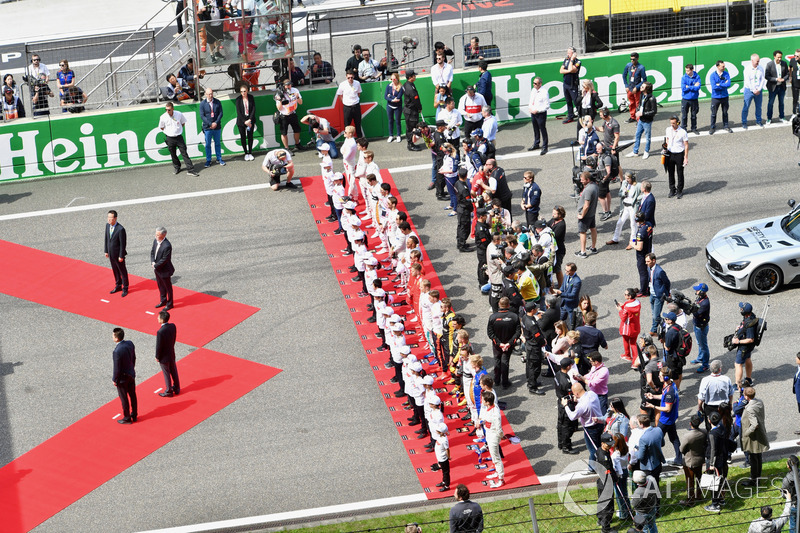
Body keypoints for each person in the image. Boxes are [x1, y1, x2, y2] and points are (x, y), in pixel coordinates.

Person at [563, 381, 604, 465]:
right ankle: (602, 460)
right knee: (600, 445)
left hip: (590, 428)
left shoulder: (581, 406)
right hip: (600, 423)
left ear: (576, 393)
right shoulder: (592, 394)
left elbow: (572, 417)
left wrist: (565, 405)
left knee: (593, 449)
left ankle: (592, 467)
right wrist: (578, 400)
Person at [487, 297, 521, 389]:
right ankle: (505, 383)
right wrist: (509, 343)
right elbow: (518, 332)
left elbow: (490, 333)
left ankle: (497, 380)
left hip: (497, 345)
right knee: (505, 361)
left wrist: (499, 343)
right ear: (508, 305)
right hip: (508, 344)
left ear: (499, 305)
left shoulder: (493, 317)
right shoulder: (514, 316)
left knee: (497, 360)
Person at [159, 102, 198, 176]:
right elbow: (161, 127)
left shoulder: (179, 114)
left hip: (179, 137)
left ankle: (190, 170)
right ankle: (177, 167)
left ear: (173, 109)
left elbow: (183, 123)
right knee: (173, 154)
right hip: (170, 138)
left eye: (169, 110)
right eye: (166, 110)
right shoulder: (163, 117)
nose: (167, 111)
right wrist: (169, 132)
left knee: (184, 153)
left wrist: (178, 130)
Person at [741, 387, 769, 486]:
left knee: (753, 458)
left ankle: (753, 480)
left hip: (753, 437)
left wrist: (746, 433)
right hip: (760, 434)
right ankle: (758, 478)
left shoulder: (749, 408)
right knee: (758, 457)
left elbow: (754, 425)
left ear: (746, 396)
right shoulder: (759, 402)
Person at [112, 328, 138, 424]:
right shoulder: (130, 343)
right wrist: (131, 368)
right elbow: (134, 357)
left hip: (122, 378)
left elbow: (116, 368)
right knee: (133, 395)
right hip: (131, 374)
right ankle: (134, 415)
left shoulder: (117, 351)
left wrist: (114, 379)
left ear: (116, 338)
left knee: (124, 398)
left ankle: (127, 417)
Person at [480, 390, 505, 488]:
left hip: (494, 436)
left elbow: (499, 428)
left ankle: (501, 479)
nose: (481, 400)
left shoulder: (495, 413)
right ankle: (497, 473)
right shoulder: (488, 408)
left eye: (483, 399)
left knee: (496, 458)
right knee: (493, 456)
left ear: (487, 401)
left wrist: (501, 436)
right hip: (489, 435)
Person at [705, 412, 729, 513]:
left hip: (715, 461)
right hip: (722, 457)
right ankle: (721, 499)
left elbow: (713, 450)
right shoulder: (722, 427)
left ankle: (715, 504)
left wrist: (711, 464)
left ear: (710, 421)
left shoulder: (712, 434)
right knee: (720, 480)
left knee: (713, 482)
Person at [627, 83, 656, 158]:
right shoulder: (641, 95)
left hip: (647, 121)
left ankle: (646, 151)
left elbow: (654, 111)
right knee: (637, 135)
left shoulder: (652, 98)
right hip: (641, 119)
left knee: (647, 137)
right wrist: (638, 111)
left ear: (647, 89)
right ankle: (635, 151)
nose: (640, 87)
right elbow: (640, 105)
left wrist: (642, 113)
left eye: (642, 87)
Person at [732, 302, 758, 387]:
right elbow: (744, 326)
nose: (740, 310)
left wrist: (738, 342)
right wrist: (740, 328)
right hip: (747, 347)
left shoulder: (750, 324)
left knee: (738, 364)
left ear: (745, 312)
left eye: (742, 309)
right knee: (747, 359)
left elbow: (750, 339)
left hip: (744, 347)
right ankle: (748, 379)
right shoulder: (750, 317)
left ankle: (737, 385)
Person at [155, 310, 180, 397]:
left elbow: (159, 346)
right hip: (171, 353)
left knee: (166, 373)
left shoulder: (160, 332)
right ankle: (177, 388)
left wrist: (157, 356)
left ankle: (169, 390)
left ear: (162, 320)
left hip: (164, 357)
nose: (157, 319)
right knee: (174, 371)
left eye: (158, 317)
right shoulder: (173, 326)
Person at [105, 210, 129, 297]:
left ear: (115, 218)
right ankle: (118, 285)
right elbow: (106, 239)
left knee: (122, 271)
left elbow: (123, 244)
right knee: (115, 270)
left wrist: (121, 255)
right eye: (108, 218)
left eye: (110, 218)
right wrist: (106, 251)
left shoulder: (120, 229)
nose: (109, 220)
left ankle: (125, 287)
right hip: (111, 253)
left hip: (118, 255)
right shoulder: (107, 226)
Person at [275, 78, 303, 153]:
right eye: (287, 85)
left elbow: (300, 102)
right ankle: (287, 148)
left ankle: (297, 144)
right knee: (284, 133)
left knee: (297, 130)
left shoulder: (295, 90)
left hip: (292, 113)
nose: (289, 87)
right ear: (284, 86)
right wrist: (280, 99)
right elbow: (279, 108)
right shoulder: (279, 93)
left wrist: (297, 97)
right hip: (284, 115)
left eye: (290, 85)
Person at [664, 115, 689, 199]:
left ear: (678, 122)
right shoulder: (668, 130)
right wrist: (665, 148)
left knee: (680, 173)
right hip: (670, 154)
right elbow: (667, 139)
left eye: (674, 123)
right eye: (671, 123)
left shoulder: (683, 132)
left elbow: (686, 145)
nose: (672, 125)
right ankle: (672, 189)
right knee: (670, 173)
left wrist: (685, 157)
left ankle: (679, 190)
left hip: (679, 154)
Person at [644, 253, 669, 335]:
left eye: (648, 261)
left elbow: (667, 282)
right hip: (652, 294)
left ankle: (666, 322)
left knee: (656, 316)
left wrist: (667, 294)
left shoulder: (660, 271)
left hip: (658, 296)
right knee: (653, 313)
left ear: (653, 260)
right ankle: (654, 329)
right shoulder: (649, 268)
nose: (646, 263)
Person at [199, 88, 225, 167]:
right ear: (206, 95)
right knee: (208, 144)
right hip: (207, 127)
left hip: (217, 127)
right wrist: (210, 124)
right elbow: (202, 116)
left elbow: (221, 113)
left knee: (217, 143)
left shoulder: (217, 102)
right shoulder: (202, 104)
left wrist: (216, 122)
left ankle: (219, 158)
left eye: (211, 94)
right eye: (209, 94)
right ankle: (208, 160)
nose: (210, 95)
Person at [575, 172, 599, 257]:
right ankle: (593, 247)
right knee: (593, 228)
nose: (581, 181)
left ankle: (583, 252)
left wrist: (582, 215)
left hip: (586, 215)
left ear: (588, 180)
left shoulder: (588, 190)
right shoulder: (595, 185)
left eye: (582, 180)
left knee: (582, 232)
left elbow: (586, 205)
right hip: (592, 213)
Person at [151, 227, 175, 311]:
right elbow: (152, 252)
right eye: (156, 234)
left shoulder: (167, 245)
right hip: (157, 269)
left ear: (164, 234)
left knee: (168, 288)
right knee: (160, 285)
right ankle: (163, 300)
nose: (156, 236)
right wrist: (152, 262)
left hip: (165, 270)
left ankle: (170, 303)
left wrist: (156, 265)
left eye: (158, 234)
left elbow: (165, 259)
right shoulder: (155, 241)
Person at [690, 283, 711, 372]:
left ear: (702, 292)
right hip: (697, 325)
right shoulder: (700, 298)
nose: (696, 291)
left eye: (697, 290)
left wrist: (690, 309)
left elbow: (696, 313)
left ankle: (705, 364)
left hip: (701, 327)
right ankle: (700, 358)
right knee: (699, 343)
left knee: (703, 346)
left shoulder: (705, 303)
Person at [616, 288, 641, 363]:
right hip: (635, 326)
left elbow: (623, 318)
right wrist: (623, 306)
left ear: (629, 296)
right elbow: (630, 311)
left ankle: (629, 356)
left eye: (625, 294)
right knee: (633, 342)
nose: (624, 295)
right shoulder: (638, 303)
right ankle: (634, 359)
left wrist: (620, 310)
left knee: (627, 341)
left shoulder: (627, 307)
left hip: (627, 328)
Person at [742, 53, 766, 129]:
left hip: (758, 91)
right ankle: (744, 122)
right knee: (746, 107)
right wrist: (753, 90)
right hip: (749, 90)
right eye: (757, 61)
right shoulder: (747, 69)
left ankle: (758, 121)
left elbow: (762, 79)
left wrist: (759, 89)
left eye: (758, 61)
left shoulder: (760, 68)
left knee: (758, 107)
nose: (758, 63)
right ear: (752, 61)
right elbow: (747, 81)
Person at [553, 262, 581, 327]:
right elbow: (563, 286)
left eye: (568, 271)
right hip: (564, 303)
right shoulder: (566, 275)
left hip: (571, 305)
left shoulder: (577, 281)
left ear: (573, 271)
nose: (566, 272)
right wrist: (558, 292)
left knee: (572, 323)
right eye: (565, 270)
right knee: (559, 320)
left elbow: (573, 295)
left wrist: (561, 294)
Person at [709, 60, 733, 134]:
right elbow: (714, 87)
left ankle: (726, 126)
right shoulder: (712, 75)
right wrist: (723, 84)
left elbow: (728, 84)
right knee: (713, 113)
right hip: (715, 97)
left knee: (725, 112)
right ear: (718, 66)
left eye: (724, 66)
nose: (724, 67)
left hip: (724, 96)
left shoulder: (726, 74)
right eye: (722, 66)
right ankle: (712, 127)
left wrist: (719, 84)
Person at [527, 77, 549, 155]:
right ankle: (536, 143)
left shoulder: (544, 92)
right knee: (535, 129)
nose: (534, 84)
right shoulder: (533, 90)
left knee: (542, 129)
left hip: (540, 114)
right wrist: (530, 108)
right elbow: (531, 100)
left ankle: (545, 146)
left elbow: (547, 106)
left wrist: (538, 110)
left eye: (535, 83)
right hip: (533, 113)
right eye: (533, 83)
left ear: (540, 84)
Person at [402, 70, 423, 151]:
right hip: (411, 112)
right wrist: (419, 108)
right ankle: (410, 144)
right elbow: (416, 100)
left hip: (408, 110)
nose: (415, 76)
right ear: (410, 77)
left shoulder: (406, 84)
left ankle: (411, 143)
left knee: (409, 128)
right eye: (414, 75)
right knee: (411, 128)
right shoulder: (410, 88)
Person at [337, 70, 363, 137]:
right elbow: (339, 95)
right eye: (348, 78)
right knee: (347, 125)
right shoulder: (342, 84)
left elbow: (359, 93)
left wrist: (355, 100)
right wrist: (344, 102)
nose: (350, 79)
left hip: (356, 106)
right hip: (347, 107)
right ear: (346, 77)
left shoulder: (357, 83)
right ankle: (347, 140)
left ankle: (360, 140)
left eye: (351, 77)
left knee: (358, 124)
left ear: (353, 76)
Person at [766, 50, 789, 124]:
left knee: (781, 102)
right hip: (773, 87)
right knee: (770, 103)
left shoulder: (784, 63)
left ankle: (782, 117)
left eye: (781, 57)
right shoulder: (769, 64)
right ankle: (769, 118)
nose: (779, 59)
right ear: (774, 56)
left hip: (781, 87)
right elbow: (767, 76)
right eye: (778, 57)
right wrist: (776, 79)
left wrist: (783, 79)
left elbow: (787, 74)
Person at [623, 52, 646, 123]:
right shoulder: (628, 65)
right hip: (630, 88)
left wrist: (637, 87)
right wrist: (626, 85)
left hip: (637, 89)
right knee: (631, 103)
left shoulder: (641, 67)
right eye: (631, 59)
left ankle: (639, 119)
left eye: (633, 59)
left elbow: (644, 80)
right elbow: (624, 75)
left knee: (638, 104)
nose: (632, 61)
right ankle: (632, 117)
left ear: (637, 58)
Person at [560, 46, 581, 124]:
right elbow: (561, 70)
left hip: (573, 85)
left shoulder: (578, 62)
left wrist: (572, 60)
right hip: (566, 84)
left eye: (569, 53)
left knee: (576, 101)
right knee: (568, 101)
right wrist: (568, 70)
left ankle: (581, 115)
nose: (567, 54)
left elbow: (572, 69)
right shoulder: (566, 60)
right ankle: (570, 116)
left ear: (573, 54)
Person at [235, 83, 256, 161]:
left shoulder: (251, 97)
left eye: (244, 91)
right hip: (241, 121)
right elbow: (239, 112)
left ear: (247, 91)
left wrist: (250, 119)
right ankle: (246, 153)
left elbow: (253, 109)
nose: (243, 93)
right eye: (241, 91)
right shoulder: (238, 99)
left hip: (250, 120)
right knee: (243, 137)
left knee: (250, 136)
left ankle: (250, 152)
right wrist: (245, 121)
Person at [680, 64, 701, 134]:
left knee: (694, 115)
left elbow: (698, 88)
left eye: (688, 70)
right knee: (684, 115)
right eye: (686, 70)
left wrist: (688, 87)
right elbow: (683, 88)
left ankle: (694, 128)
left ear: (692, 70)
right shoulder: (684, 77)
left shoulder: (697, 77)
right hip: (685, 99)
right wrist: (692, 87)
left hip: (694, 99)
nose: (686, 72)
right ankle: (683, 128)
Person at [384, 72, 404, 142]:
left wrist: (390, 96)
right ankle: (391, 135)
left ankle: (398, 135)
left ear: (397, 79)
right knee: (390, 121)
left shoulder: (401, 87)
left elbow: (398, 98)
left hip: (398, 107)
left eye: (394, 79)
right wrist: (392, 99)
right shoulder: (388, 86)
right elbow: (385, 96)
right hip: (389, 106)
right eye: (391, 79)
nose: (392, 80)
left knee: (398, 121)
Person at [432, 422, 450, 492]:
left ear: (441, 432)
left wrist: (448, 457)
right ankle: (443, 481)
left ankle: (447, 485)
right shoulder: (440, 436)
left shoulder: (444, 440)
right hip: (439, 458)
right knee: (443, 471)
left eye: (438, 431)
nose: (436, 431)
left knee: (446, 472)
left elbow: (447, 449)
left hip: (443, 459)